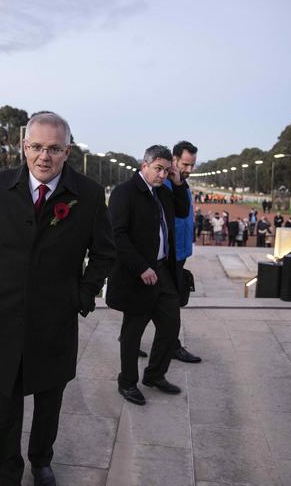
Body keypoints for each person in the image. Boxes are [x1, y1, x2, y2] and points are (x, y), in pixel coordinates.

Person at [0, 111, 115, 486]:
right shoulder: (1, 185)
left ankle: (41, 460)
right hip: (6, 317)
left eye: (54, 149)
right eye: (36, 147)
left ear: (67, 151)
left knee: (48, 398)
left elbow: (105, 253)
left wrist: (83, 295)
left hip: (55, 320)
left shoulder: (87, 194)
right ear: (24, 147)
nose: (44, 156)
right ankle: (7, 473)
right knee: (5, 403)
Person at [106, 145, 190, 407]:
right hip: (137, 274)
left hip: (162, 270)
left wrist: (177, 183)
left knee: (170, 324)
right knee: (133, 332)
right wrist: (141, 267)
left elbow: (183, 210)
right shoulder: (124, 193)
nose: (163, 174)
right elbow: (116, 236)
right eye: (158, 169)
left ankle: (154, 375)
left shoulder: (163, 192)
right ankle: (127, 382)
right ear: (144, 165)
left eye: (167, 170)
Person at [162, 141, 201, 363]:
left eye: (192, 165)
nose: (189, 169)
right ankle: (173, 346)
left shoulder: (182, 183)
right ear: (174, 160)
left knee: (158, 301)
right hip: (169, 255)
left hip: (181, 252)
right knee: (172, 302)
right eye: (186, 164)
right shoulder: (166, 184)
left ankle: (130, 338)